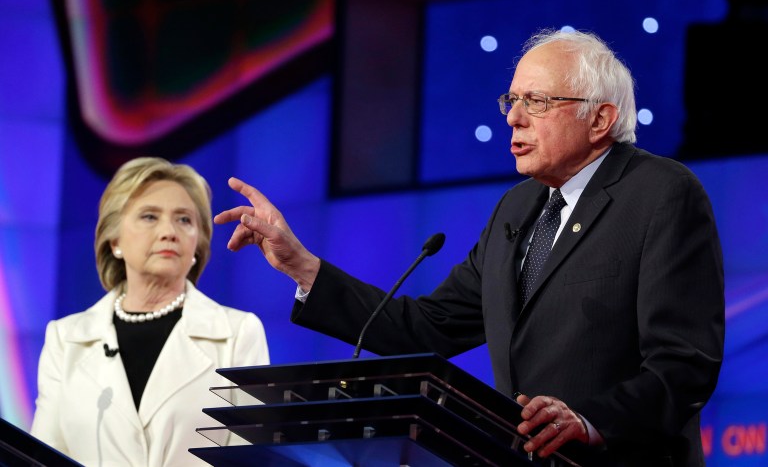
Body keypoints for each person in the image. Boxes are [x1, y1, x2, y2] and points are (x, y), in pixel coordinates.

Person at [214, 28, 724, 466]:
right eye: (512, 100)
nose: (514, 118)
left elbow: (683, 365)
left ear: (600, 119)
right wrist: (302, 267)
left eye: (538, 101)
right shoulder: (518, 208)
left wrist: (590, 421)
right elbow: (427, 328)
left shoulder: (660, 194)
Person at [31, 157, 270, 466]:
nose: (169, 231)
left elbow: (250, 459)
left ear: (198, 244)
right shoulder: (65, 339)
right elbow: (40, 457)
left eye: (184, 219)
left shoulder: (238, 334)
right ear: (114, 239)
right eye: (149, 217)